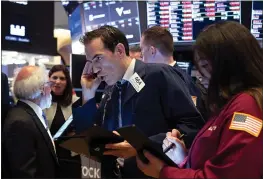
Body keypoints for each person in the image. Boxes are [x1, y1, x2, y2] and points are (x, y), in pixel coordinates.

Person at [72, 25, 204, 178]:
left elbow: (192, 127)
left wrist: (142, 146)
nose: (94, 70)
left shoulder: (158, 75)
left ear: (120, 51)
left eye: (98, 59)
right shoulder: (111, 89)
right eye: (90, 62)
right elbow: (89, 135)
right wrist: (88, 93)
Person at [136, 21, 263, 178]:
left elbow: (226, 175)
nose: (200, 75)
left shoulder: (246, 108)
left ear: (227, 64)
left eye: (204, 65)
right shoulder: (230, 104)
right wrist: (185, 156)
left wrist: (163, 172)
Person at [141, 26, 208, 122]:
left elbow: (190, 123)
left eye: (142, 53)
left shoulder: (178, 80)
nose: (142, 60)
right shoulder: (180, 77)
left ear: (152, 51)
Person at [2, 66, 58, 178]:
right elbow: (24, 173)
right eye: (49, 84)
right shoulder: (20, 122)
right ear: (42, 88)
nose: (51, 89)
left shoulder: (26, 114)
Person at [44, 65, 81, 178]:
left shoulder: (76, 102)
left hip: (71, 157)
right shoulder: (41, 101)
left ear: (67, 82)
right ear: (48, 80)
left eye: (62, 78)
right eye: (54, 77)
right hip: (47, 155)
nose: (58, 81)